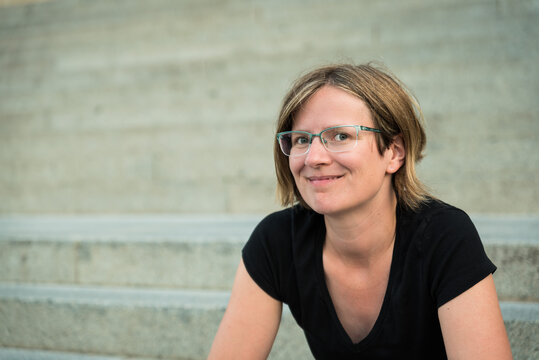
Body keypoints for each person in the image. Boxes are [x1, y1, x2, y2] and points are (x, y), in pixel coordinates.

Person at [208, 63, 512, 359]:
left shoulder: (444, 236)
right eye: (301, 139)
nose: (313, 157)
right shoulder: (276, 241)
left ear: (394, 152)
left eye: (341, 136)